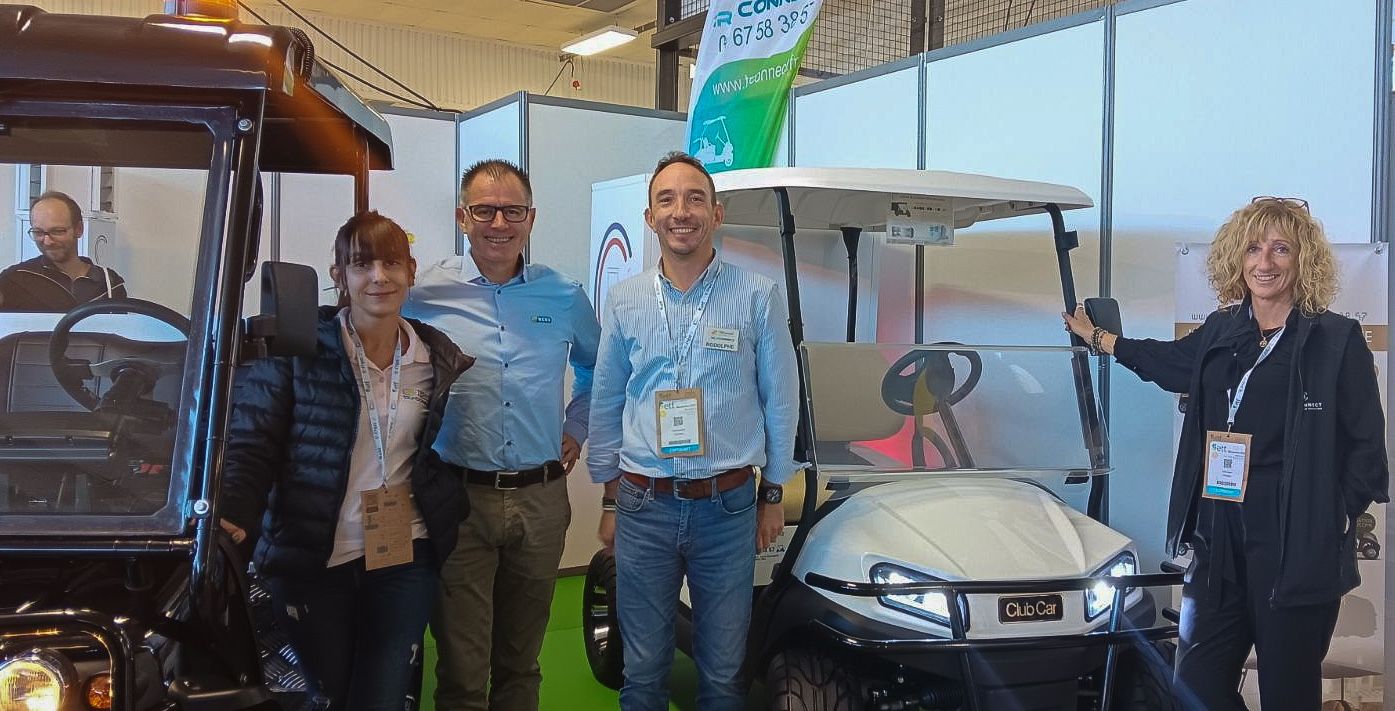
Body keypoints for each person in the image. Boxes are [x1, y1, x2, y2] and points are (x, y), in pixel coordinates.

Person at [1063, 196, 1388, 710]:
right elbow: (1168, 363)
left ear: (1303, 259)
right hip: (1219, 532)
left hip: (1293, 540)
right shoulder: (1224, 329)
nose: (1265, 262)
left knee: (1287, 694)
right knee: (1196, 688)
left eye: (1281, 249)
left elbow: (1366, 444)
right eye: (1254, 249)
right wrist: (1100, 338)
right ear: (1238, 258)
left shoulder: (1334, 338)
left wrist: (1333, 516)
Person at [219, 211, 472, 710]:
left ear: (411, 271)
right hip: (315, 555)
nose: (379, 277)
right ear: (339, 275)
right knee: (330, 693)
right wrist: (234, 510)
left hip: (404, 552)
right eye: (362, 265)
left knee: (382, 693)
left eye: (391, 263)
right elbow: (251, 443)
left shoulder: (433, 356)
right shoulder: (296, 349)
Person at [587, 151, 799, 710]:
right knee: (643, 673)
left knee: (725, 675)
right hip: (643, 505)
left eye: (695, 198)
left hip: (727, 507)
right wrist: (608, 497)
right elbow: (607, 399)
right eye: (667, 199)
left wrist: (773, 492)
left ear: (717, 214)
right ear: (650, 217)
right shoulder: (626, 300)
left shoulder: (757, 296)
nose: (681, 211)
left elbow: (781, 398)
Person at [403, 159, 600, 711]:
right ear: (462, 217)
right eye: (485, 210)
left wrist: (577, 426)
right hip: (459, 499)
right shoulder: (423, 292)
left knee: (521, 662)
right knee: (462, 670)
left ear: (531, 218)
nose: (499, 224)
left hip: (541, 499)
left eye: (512, 211)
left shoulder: (563, 295)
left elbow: (600, 368)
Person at [0, 191, 127, 311]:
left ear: (79, 229)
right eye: (38, 232)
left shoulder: (109, 283)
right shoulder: (14, 280)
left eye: (57, 231)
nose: (47, 241)